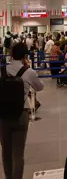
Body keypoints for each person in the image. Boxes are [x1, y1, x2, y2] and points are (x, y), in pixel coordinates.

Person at [0, 42, 44, 179]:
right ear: (25, 55)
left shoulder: (2, 69)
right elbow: (39, 87)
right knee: (18, 154)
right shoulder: (28, 72)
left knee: (6, 151)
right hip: (21, 114)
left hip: (3, 114)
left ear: (11, 54)